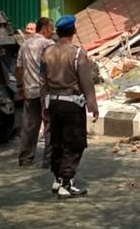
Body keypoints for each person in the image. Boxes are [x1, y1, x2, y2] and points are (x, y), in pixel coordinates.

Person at [42, 15, 99, 198]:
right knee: (74, 143)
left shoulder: (47, 52)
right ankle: (66, 183)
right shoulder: (77, 53)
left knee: (56, 141)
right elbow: (86, 82)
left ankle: (58, 179)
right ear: (73, 31)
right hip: (72, 104)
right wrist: (93, 106)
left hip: (54, 103)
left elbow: (42, 81)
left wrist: (44, 104)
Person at [17, 17, 55, 167]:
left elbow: (19, 68)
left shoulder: (24, 45)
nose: (52, 32)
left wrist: (20, 87)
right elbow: (52, 66)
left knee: (29, 125)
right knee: (49, 124)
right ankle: (49, 159)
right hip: (45, 91)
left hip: (30, 90)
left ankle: (25, 158)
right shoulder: (48, 44)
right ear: (44, 29)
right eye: (51, 29)